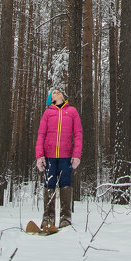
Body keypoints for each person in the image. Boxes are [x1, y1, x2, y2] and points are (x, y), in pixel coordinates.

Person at [35, 87, 82, 230]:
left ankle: (65, 217)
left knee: (65, 184)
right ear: (51, 100)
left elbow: (78, 134)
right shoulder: (48, 113)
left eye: (58, 91)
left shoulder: (72, 111)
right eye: (54, 93)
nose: (57, 93)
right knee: (49, 185)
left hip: (66, 156)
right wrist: (39, 156)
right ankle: (48, 218)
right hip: (49, 157)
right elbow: (41, 134)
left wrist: (76, 155)